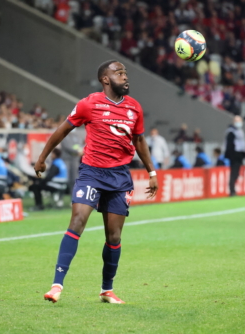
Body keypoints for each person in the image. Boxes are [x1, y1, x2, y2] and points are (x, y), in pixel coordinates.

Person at [34, 60, 158, 304]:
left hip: (120, 177)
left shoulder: (134, 108)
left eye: (126, 73)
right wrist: (41, 158)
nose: (125, 77)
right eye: (119, 73)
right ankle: (56, 285)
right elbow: (62, 130)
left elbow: (140, 142)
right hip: (92, 173)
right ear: (105, 79)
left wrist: (152, 172)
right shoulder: (88, 104)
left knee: (114, 236)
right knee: (77, 221)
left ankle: (106, 290)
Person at [224, 116, 245, 196]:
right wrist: (231, 155)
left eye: (240, 121)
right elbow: (229, 146)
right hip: (234, 156)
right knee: (234, 173)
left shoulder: (240, 131)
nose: (239, 123)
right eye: (237, 121)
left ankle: (233, 189)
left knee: (236, 173)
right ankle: (232, 190)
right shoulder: (231, 132)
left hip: (239, 155)